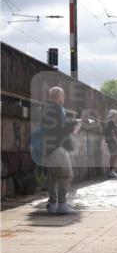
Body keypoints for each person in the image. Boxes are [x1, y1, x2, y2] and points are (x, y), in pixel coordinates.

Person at [39, 86, 80, 214]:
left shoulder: (47, 109)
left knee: (53, 177)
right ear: (58, 96)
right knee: (67, 175)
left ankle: (52, 205)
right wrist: (75, 122)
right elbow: (62, 128)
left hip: (49, 148)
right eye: (63, 95)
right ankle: (62, 204)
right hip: (57, 148)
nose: (64, 98)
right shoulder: (55, 109)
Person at [103, 109, 117, 179]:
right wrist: (115, 139)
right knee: (115, 155)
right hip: (112, 140)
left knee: (115, 155)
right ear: (113, 115)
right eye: (116, 115)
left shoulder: (109, 121)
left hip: (110, 140)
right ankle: (111, 172)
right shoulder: (110, 121)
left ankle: (112, 171)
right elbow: (112, 131)